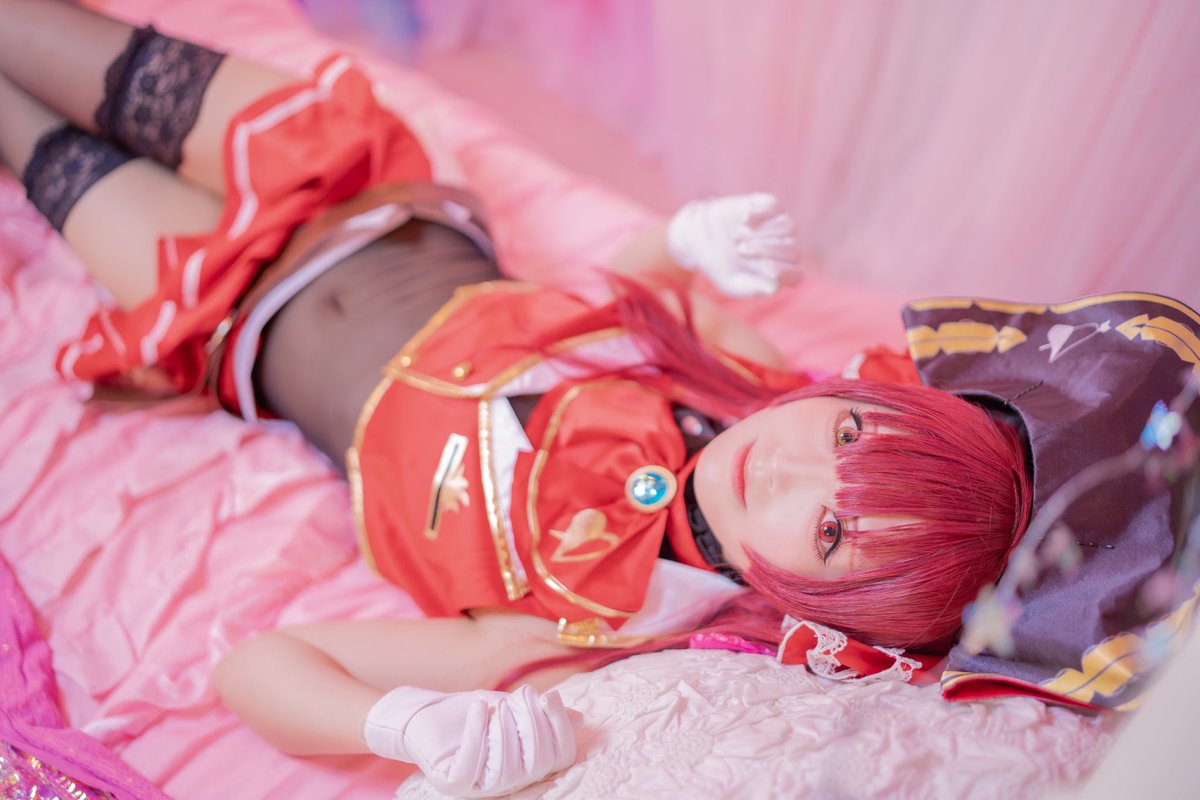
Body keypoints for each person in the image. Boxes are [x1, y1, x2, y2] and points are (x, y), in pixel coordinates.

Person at [0, 2, 1032, 795]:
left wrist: (400, 724)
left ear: (826, 605)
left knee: (18, 122)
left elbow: (256, 668)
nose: (789, 463)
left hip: (236, 315)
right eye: (846, 430)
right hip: (369, 193)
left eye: (832, 527)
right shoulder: (751, 385)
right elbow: (624, 297)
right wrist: (683, 243)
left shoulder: (585, 627)